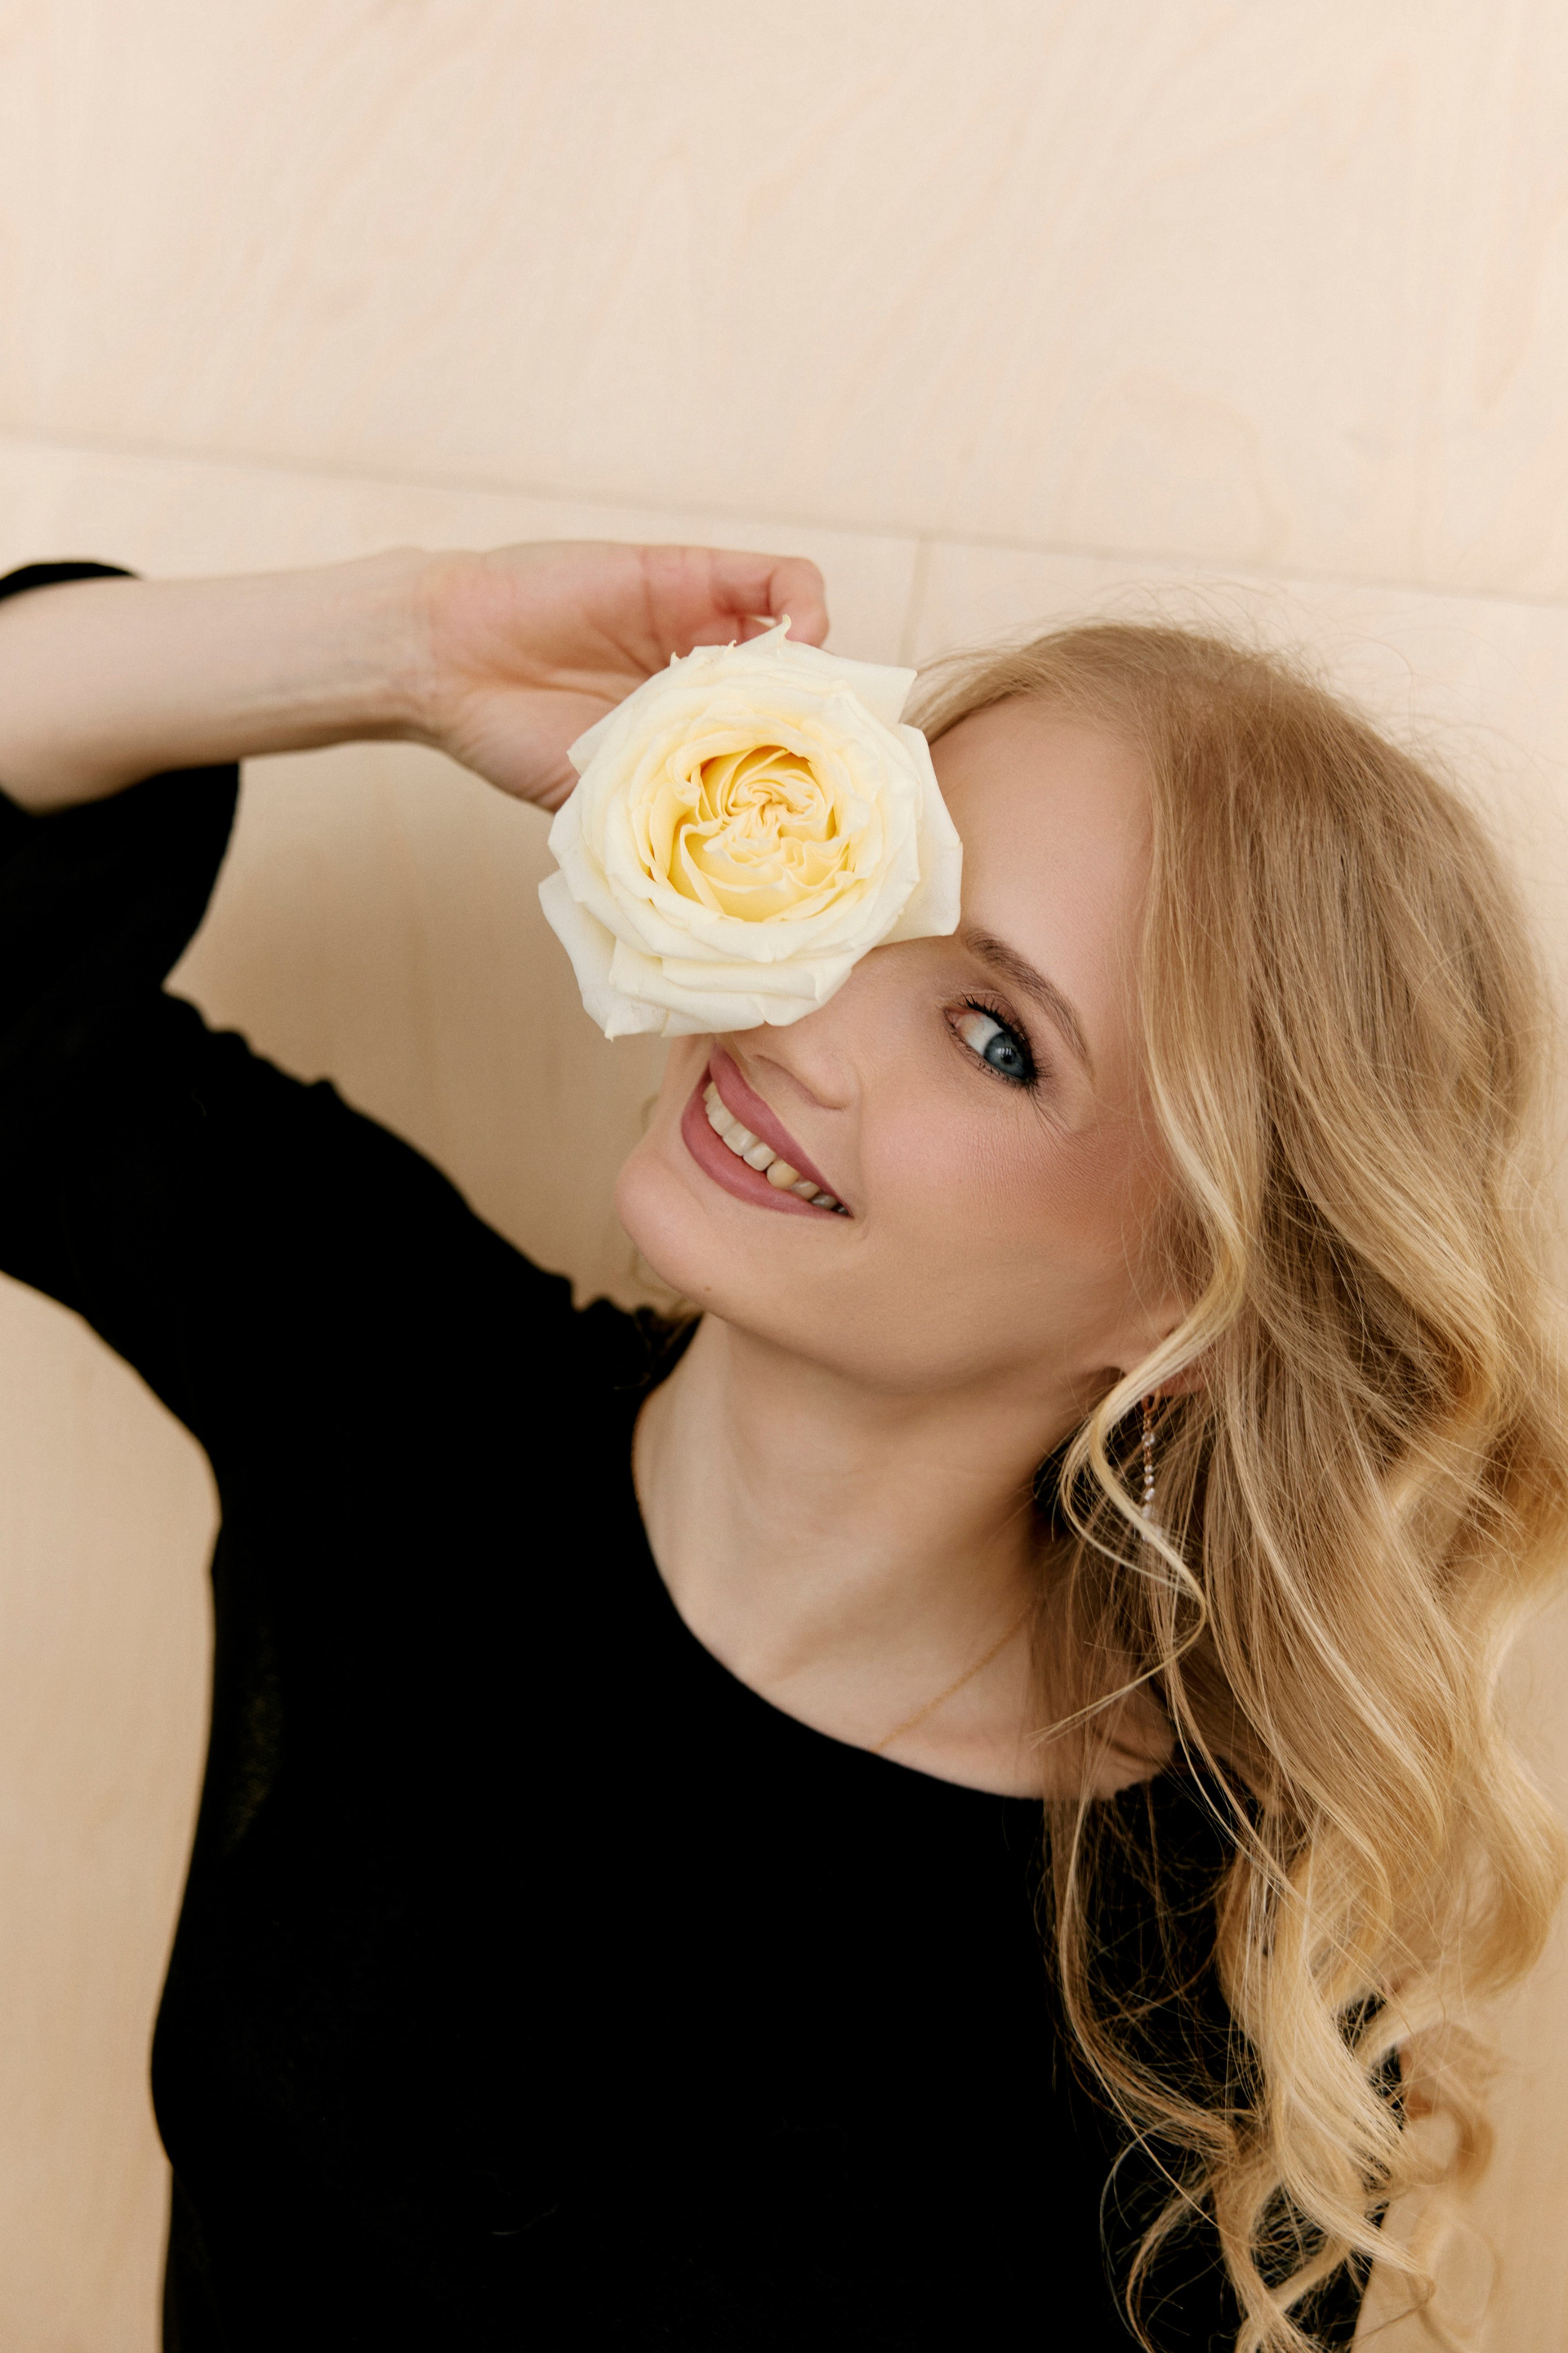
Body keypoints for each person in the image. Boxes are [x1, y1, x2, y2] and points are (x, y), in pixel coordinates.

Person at [0, 542, 1559, 2353]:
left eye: (995, 1036)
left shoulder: (1209, 2008)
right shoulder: (399, 1386)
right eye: (855, 889)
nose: (798, 1013)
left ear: (1189, 1303)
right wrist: (415, 652)